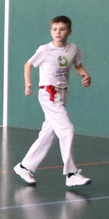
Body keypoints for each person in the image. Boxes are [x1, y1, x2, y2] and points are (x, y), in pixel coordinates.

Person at [13, 15, 92, 188]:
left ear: (69, 32)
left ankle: (24, 167)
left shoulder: (73, 49)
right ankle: (71, 174)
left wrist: (85, 76)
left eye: (62, 29)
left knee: (48, 133)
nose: (58, 32)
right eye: (55, 29)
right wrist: (27, 83)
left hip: (63, 94)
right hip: (48, 94)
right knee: (67, 129)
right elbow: (28, 64)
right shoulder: (45, 50)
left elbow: (78, 66)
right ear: (51, 31)